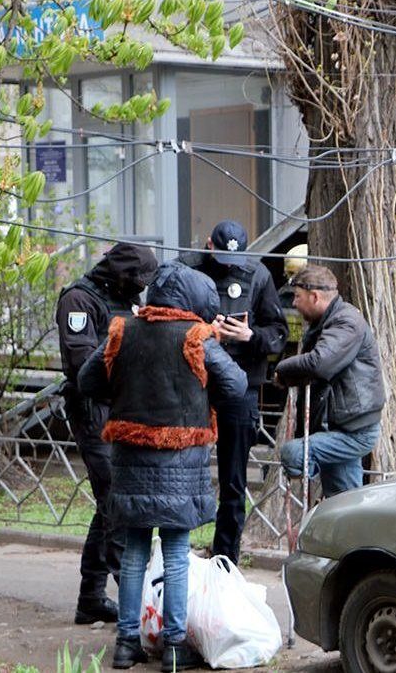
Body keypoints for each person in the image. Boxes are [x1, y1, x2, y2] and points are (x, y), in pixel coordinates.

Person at [77, 262, 246, 671]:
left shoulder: (122, 330)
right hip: (181, 462)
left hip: (130, 459)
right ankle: (173, 646)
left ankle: (125, 645)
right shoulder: (197, 337)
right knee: (175, 552)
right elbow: (237, 386)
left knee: (134, 551)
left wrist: (123, 391)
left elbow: (87, 381)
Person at [56, 243, 158, 626]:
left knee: (109, 503)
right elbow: (81, 362)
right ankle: (140, 607)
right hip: (93, 411)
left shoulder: (126, 296)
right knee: (117, 500)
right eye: (136, 279)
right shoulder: (79, 300)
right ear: (119, 272)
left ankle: (91, 599)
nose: (140, 288)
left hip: (123, 409)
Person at [177, 220, 287, 565]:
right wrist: (203, 333)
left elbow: (278, 333)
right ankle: (179, 555)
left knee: (234, 480)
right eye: (221, 256)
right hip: (195, 382)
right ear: (208, 244)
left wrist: (249, 336)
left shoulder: (257, 274)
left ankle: (226, 559)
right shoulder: (186, 268)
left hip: (240, 385)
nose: (227, 265)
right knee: (179, 471)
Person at [274, 265, 385, 497]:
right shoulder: (327, 322)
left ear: (314, 296)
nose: (293, 303)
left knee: (294, 453)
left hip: (354, 430)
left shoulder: (346, 322)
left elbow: (320, 363)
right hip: (339, 425)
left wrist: (283, 371)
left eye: (297, 297)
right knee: (343, 499)